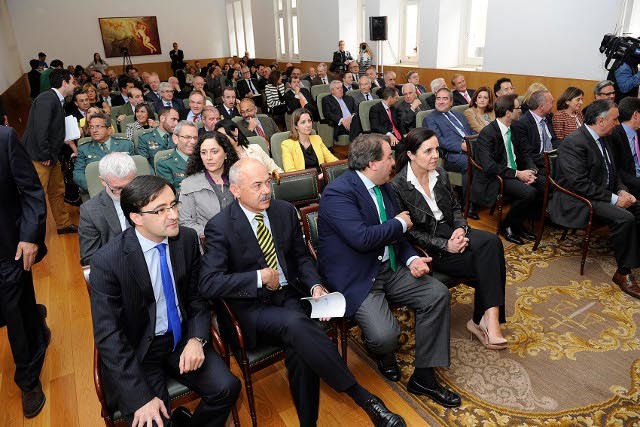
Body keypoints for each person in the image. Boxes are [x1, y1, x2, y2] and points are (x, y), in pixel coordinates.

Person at [199, 158, 406, 426]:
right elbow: (209, 283)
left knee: (300, 347)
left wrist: (315, 286)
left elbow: (302, 259)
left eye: (268, 182)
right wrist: (258, 278)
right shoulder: (220, 226)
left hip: (290, 298)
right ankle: (364, 398)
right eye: (257, 185)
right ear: (236, 190)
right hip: (251, 309)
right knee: (299, 325)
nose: (266, 191)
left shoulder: (284, 211)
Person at [318, 134, 461, 408]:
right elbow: (363, 238)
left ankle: (424, 378)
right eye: (388, 158)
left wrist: (410, 260)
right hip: (359, 276)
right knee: (385, 337)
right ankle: (384, 356)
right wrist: (398, 223)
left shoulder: (382, 185)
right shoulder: (338, 193)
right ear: (372, 163)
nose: (394, 163)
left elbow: (399, 237)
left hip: (390, 266)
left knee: (437, 294)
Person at [90, 175, 241, 426]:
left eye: (173, 205)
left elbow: (196, 299)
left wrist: (196, 338)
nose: (172, 215)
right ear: (136, 218)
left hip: (181, 338)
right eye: (160, 210)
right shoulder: (108, 261)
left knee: (227, 388)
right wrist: (139, 397)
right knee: (154, 421)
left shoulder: (188, 239)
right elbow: (109, 336)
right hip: (139, 352)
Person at [391, 127, 507, 349]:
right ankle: (483, 321)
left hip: (452, 231)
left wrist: (461, 228)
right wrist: (446, 245)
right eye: (428, 151)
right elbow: (410, 232)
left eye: (437, 149)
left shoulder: (440, 174)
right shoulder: (397, 186)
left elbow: (455, 208)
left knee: (493, 242)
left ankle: (485, 321)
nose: (436, 155)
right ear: (410, 154)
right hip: (431, 246)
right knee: (492, 263)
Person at [549, 100, 640, 299]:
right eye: (615, 119)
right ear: (601, 121)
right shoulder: (574, 143)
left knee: (637, 206)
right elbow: (580, 185)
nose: (617, 123)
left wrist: (622, 191)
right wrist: (615, 199)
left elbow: (614, 173)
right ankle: (623, 273)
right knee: (625, 217)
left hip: (599, 192)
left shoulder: (604, 137)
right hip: (578, 200)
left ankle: (633, 254)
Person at [0, 126, 50, 418]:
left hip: (8, 250)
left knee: (15, 315)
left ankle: (28, 380)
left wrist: (30, 235)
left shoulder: (5, 138)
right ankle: (37, 322)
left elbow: (31, 190)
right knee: (15, 309)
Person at [473, 94, 543, 245]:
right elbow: (489, 166)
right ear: (508, 112)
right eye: (518, 108)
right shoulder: (488, 133)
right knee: (528, 193)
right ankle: (508, 226)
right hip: (496, 177)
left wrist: (532, 170)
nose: (521, 111)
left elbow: (525, 153)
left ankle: (518, 223)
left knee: (542, 183)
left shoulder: (515, 128)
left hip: (514, 172)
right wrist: (518, 174)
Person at [22, 68, 78, 235]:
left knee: (57, 190)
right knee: (36, 195)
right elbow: (40, 129)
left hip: (51, 155)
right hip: (40, 157)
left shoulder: (56, 99)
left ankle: (63, 224)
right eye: (72, 82)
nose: (74, 86)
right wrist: (45, 154)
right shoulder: (47, 98)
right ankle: (30, 234)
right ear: (64, 83)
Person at [424, 87, 479, 219]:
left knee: (487, 159)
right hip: (451, 155)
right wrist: (461, 146)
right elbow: (438, 141)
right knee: (469, 164)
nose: (441, 102)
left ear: (451, 102)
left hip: (470, 149)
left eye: (445, 98)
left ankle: (482, 198)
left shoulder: (459, 115)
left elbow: (471, 132)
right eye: (438, 98)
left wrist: (473, 144)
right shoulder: (430, 119)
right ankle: (467, 205)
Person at [79, 153, 137, 265]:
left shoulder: (150, 198)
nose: (125, 193)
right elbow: (89, 258)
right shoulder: (90, 211)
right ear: (102, 181)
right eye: (117, 188)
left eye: (129, 186)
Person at [179, 131, 239, 238]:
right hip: (209, 244)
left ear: (226, 154)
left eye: (214, 152)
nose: (208, 158)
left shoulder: (240, 178)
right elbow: (185, 223)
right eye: (203, 153)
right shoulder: (189, 184)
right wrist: (214, 234)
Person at [73, 113, 134, 192]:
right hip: (98, 191)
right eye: (91, 127)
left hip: (126, 189)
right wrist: (94, 187)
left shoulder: (125, 144)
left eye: (98, 126)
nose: (94, 130)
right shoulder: (84, 149)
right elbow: (78, 174)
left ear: (109, 130)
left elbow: (135, 167)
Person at [511, 89, 560, 177]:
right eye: (551, 102)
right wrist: (551, 160)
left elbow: (554, 141)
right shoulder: (522, 124)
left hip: (553, 160)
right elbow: (527, 153)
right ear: (541, 106)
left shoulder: (549, 118)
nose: (553, 105)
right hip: (537, 165)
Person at [214, 119, 282, 176]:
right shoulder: (222, 157)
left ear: (235, 132)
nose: (222, 139)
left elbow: (275, 169)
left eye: (224, 135)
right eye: (220, 137)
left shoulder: (255, 148)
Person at [281, 108, 338, 175]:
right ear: (296, 126)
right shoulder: (287, 144)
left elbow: (332, 160)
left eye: (309, 121)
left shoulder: (317, 139)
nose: (308, 125)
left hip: (322, 177)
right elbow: (290, 172)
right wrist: (315, 178)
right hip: (303, 182)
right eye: (303, 122)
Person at [609, 97, 640, 199]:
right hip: (628, 185)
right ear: (635, 115)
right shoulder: (613, 135)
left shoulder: (638, 132)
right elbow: (616, 170)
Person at [156, 120, 199, 193]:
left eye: (195, 138)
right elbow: (170, 194)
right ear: (175, 139)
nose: (193, 142)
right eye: (187, 137)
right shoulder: (164, 164)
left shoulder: (203, 159)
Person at [138, 107, 180, 171]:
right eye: (173, 119)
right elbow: (145, 164)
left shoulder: (179, 136)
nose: (176, 123)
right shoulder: (145, 138)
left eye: (177, 120)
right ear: (162, 118)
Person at [369, 87, 404, 151]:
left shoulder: (393, 109)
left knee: (413, 145)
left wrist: (404, 134)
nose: (397, 100)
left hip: (397, 135)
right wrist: (389, 134)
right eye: (396, 98)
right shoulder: (375, 109)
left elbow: (399, 124)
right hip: (385, 137)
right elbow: (375, 126)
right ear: (390, 98)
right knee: (401, 148)